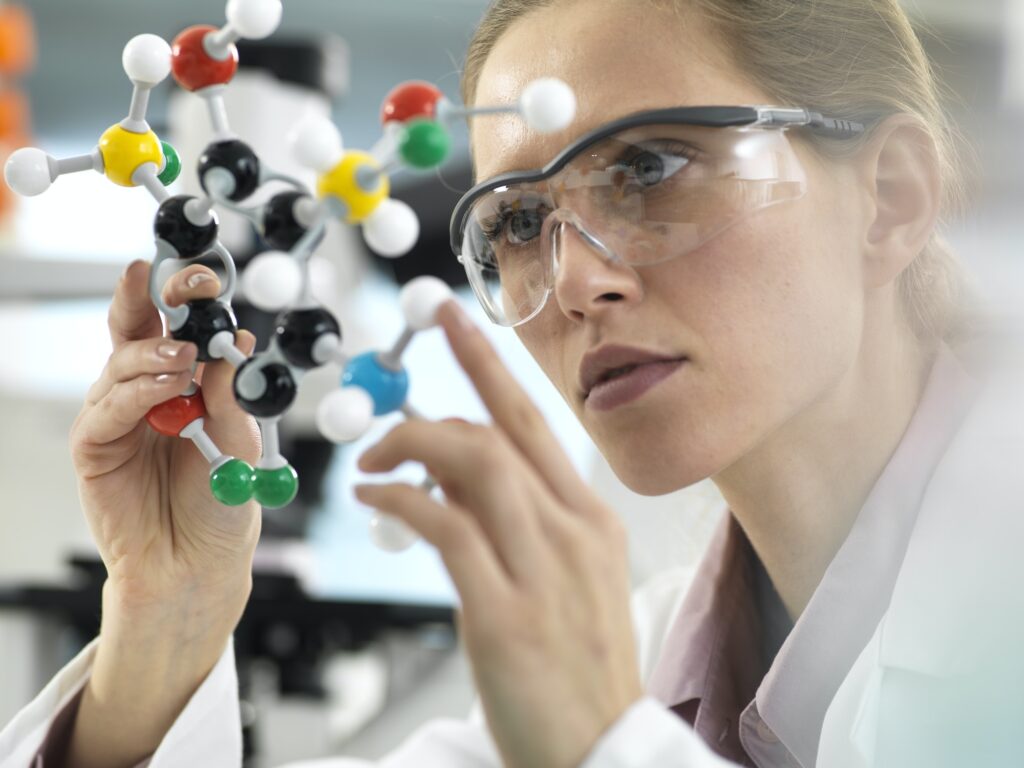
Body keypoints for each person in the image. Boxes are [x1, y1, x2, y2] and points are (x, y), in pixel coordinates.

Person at [3, 0, 1023, 766]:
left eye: (651, 167)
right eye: (518, 224)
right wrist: (169, 619)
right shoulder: (620, 659)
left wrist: (609, 747)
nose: (572, 280)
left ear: (887, 200)